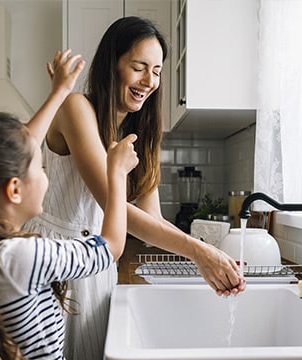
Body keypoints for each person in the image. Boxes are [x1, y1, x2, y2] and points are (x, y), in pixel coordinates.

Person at [23, 16, 246, 359]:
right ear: (111, 66)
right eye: (139, 67)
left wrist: (209, 255)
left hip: (98, 263)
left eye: (157, 71)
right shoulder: (76, 108)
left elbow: (151, 220)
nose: (150, 80)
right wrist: (200, 254)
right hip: (54, 260)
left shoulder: (140, 133)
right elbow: (112, 202)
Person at [0, 49, 139, 359]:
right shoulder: (23, 256)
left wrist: (59, 92)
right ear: (14, 190)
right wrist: (116, 174)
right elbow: (110, 247)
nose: (46, 176)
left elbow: (23, 146)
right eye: (40, 168)